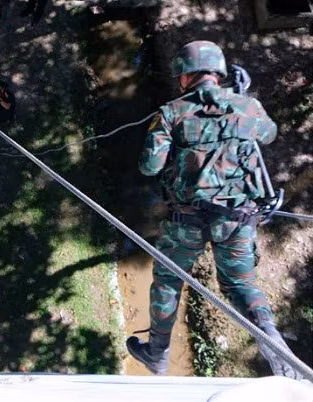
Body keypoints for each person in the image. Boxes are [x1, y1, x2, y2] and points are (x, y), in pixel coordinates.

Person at [126, 41, 299, 379]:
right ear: (218, 74)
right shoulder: (246, 107)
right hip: (237, 219)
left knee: (167, 279)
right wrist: (242, 97)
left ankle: (157, 354)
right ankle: (271, 338)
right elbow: (270, 134)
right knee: (240, 284)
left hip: (186, 221)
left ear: (185, 77)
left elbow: (149, 166)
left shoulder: (171, 114)